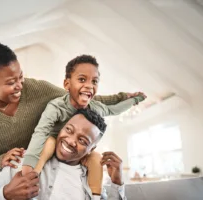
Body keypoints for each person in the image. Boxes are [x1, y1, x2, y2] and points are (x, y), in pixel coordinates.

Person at [0, 43, 140, 183]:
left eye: (21, 77)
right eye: (11, 82)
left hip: (35, 179)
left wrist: (123, 97)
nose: (20, 85)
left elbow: (79, 97)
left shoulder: (39, 90)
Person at [22, 55, 145, 196]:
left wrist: (135, 99)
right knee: (49, 142)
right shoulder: (56, 107)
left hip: (76, 153)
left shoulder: (95, 107)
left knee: (96, 158)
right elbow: (41, 132)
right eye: (82, 79)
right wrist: (28, 165)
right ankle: (30, 181)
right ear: (67, 84)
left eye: (94, 81)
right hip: (55, 143)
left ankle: (95, 196)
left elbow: (114, 109)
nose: (89, 86)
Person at [0, 109, 127, 200]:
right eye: (69, 130)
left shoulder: (92, 179)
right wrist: (6, 194)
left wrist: (118, 182)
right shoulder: (26, 162)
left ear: (91, 150)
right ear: (61, 129)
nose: (71, 141)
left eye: (82, 140)